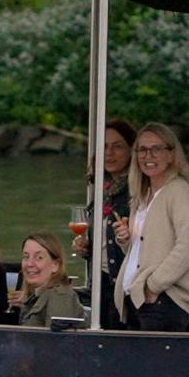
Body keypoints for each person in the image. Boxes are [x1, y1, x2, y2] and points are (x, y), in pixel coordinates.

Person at [113, 121, 189, 331]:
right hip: (136, 299)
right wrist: (127, 241)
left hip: (162, 302)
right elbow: (145, 251)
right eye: (143, 150)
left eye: (157, 149)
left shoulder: (180, 192)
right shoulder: (142, 196)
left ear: (172, 155)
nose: (149, 156)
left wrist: (153, 287)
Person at [75, 118, 137, 327]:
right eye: (104, 146)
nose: (109, 153)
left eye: (117, 146)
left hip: (124, 288)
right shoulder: (102, 190)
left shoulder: (138, 192)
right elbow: (103, 244)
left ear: (131, 150)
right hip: (99, 285)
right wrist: (86, 248)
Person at [10, 232, 83, 328]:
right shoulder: (37, 295)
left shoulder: (60, 297)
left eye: (39, 257)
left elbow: (58, 340)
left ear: (55, 265)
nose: (29, 264)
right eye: (26, 257)